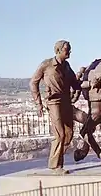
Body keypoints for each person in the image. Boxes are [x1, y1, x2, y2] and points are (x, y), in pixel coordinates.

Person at [29, 40, 82, 175]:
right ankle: (55, 166)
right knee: (60, 134)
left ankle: (57, 158)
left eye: (69, 49)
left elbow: (75, 84)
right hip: (54, 102)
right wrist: (38, 103)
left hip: (66, 102)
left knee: (69, 133)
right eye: (67, 50)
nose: (69, 52)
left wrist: (90, 82)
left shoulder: (67, 66)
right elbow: (33, 83)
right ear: (58, 50)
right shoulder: (46, 65)